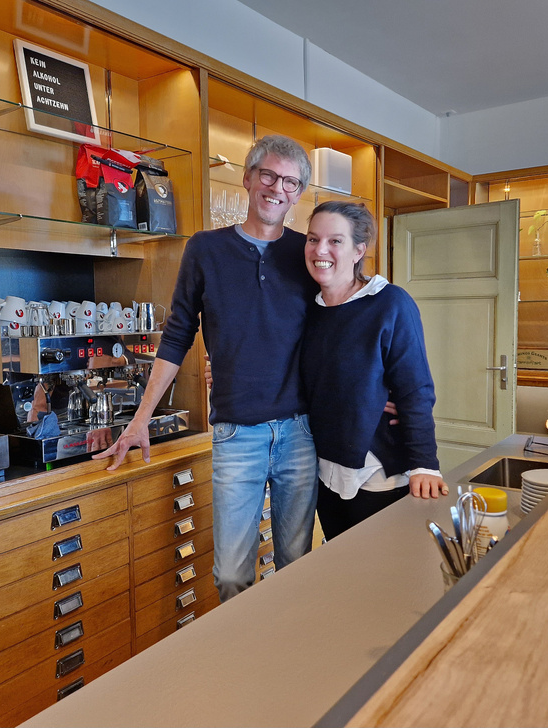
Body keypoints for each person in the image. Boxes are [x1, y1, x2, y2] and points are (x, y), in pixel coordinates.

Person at [95, 135, 319, 601]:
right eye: (269, 175)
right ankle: (240, 650)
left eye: (290, 182)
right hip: (237, 433)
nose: (277, 188)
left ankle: (291, 646)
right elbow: (178, 335)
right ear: (248, 178)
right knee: (232, 575)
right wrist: (140, 420)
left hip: (300, 431)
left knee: (298, 567)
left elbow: (338, 326)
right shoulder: (205, 249)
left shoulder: (307, 254)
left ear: (298, 193)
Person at [300, 200, 447, 541]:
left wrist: (425, 463)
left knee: (384, 567)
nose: (320, 249)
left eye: (335, 241)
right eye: (313, 239)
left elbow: (415, 389)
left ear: (358, 250)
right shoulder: (308, 309)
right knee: (341, 563)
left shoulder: (390, 303)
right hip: (323, 469)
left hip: (377, 472)